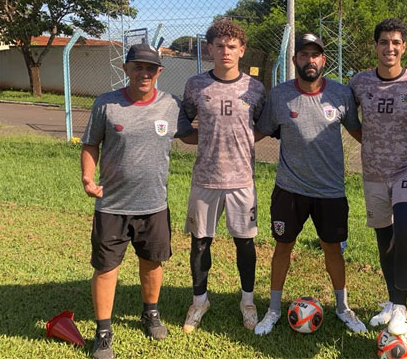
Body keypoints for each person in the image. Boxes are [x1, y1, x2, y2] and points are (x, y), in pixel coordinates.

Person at [80, 44, 196, 359]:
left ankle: (151, 313)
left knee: (152, 262)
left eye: (150, 68)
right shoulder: (106, 104)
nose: (144, 73)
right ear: (126, 69)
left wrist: (230, 130)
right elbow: (91, 143)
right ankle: (103, 332)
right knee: (106, 268)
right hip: (113, 205)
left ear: (159, 72)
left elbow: (189, 135)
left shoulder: (171, 105)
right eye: (138, 67)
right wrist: (88, 177)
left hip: (154, 204)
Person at [253, 33, 366, 335]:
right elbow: (260, 131)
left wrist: (390, 148)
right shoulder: (279, 95)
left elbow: (359, 133)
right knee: (282, 247)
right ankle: (274, 309)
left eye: (315, 55)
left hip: (330, 191)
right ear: (295, 61)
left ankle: (343, 308)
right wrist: (226, 143)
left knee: (333, 250)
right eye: (303, 55)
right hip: (289, 189)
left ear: (323, 61)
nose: (310, 60)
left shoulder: (341, 95)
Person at [347, 18, 407, 335]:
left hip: (406, 172)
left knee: (405, 230)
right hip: (373, 174)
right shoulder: (359, 83)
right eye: (384, 41)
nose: (390, 47)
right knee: (384, 240)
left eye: (396, 42)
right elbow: (347, 117)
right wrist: (369, 141)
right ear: (375, 46)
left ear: (404, 47)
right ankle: (391, 301)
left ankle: (401, 308)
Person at [180, 19, 266, 333]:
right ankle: (199, 300)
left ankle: (247, 300)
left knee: (245, 243)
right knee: (200, 242)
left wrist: (239, 143)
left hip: (242, 179)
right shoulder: (195, 85)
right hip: (205, 178)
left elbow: (261, 126)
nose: (225, 51)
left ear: (242, 50)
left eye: (232, 46)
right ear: (210, 49)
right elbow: (184, 124)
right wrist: (206, 140)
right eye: (220, 46)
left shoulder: (255, 88)